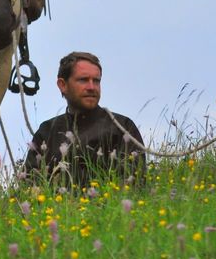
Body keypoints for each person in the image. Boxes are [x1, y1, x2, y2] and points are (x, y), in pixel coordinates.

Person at [23, 51, 146, 186]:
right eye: (83, 80)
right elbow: (28, 185)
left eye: (96, 81)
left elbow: (134, 183)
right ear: (62, 85)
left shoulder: (122, 127)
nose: (92, 87)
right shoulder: (47, 131)